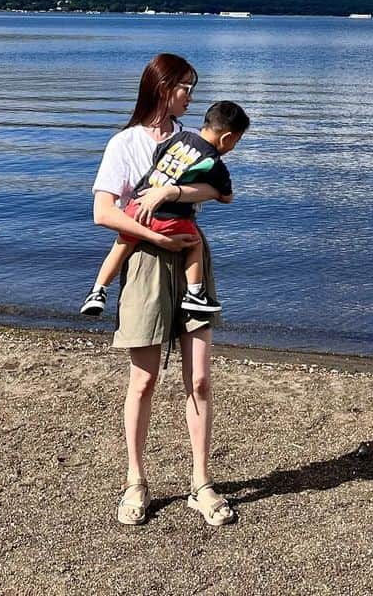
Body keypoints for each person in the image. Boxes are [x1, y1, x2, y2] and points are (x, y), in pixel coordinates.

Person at [90, 53, 236, 527]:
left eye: (193, 88)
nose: (191, 97)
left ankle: (201, 483)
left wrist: (173, 194)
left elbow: (216, 191)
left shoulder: (191, 141)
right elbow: (104, 213)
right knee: (144, 380)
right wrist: (155, 236)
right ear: (161, 88)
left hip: (192, 256)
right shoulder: (124, 144)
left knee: (199, 380)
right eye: (185, 88)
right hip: (147, 260)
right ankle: (136, 480)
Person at [80, 100, 249, 317]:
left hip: (137, 205)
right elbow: (226, 196)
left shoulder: (179, 137)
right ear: (227, 137)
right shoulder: (212, 161)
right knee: (194, 244)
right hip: (170, 219)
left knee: (121, 246)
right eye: (237, 141)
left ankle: (98, 291)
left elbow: (158, 153)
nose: (234, 147)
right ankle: (195, 293)